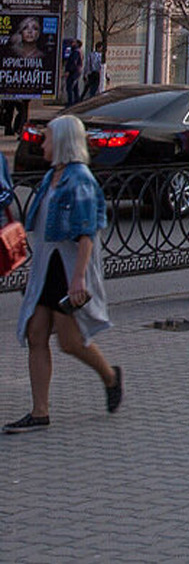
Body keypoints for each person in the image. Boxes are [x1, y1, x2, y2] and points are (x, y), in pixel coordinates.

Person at [8, 115, 121, 432]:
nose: (42, 144)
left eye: (47, 138)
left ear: (62, 142)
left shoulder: (79, 179)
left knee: (70, 342)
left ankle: (110, 377)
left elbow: (87, 234)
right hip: (49, 267)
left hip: (68, 269)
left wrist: (78, 279)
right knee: (36, 334)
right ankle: (39, 411)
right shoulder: (52, 177)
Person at [61, 41, 81, 107]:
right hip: (74, 73)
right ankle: (76, 100)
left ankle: (71, 102)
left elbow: (73, 63)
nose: (72, 44)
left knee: (70, 87)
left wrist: (68, 71)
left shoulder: (75, 52)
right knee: (74, 88)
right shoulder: (74, 52)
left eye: (73, 43)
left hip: (73, 73)